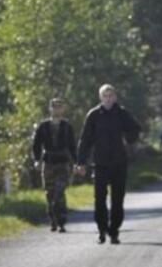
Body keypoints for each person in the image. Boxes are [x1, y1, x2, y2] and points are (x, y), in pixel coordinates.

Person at [75, 84, 141, 245]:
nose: (108, 98)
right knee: (99, 199)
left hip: (119, 163)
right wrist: (81, 162)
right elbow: (85, 140)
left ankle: (114, 231)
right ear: (101, 97)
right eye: (105, 96)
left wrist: (129, 138)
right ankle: (102, 230)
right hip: (100, 163)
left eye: (111, 95)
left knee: (117, 200)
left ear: (115, 97)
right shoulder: (94, 115)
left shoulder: (122, 113)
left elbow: (135, 128)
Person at [32, 98, 76, 233]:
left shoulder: (67, 126)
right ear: (50, 109)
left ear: (63, 109)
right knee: (49, 194)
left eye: (59, 107)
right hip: (48, 163)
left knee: (59, 193)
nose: (57, 109)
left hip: (62, 163)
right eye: (54, 107)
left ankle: (62, 221)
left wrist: (76, 162)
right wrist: (37, 160)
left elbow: (73, 146)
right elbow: (36, 145)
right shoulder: (43, 126)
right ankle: (53, 220)